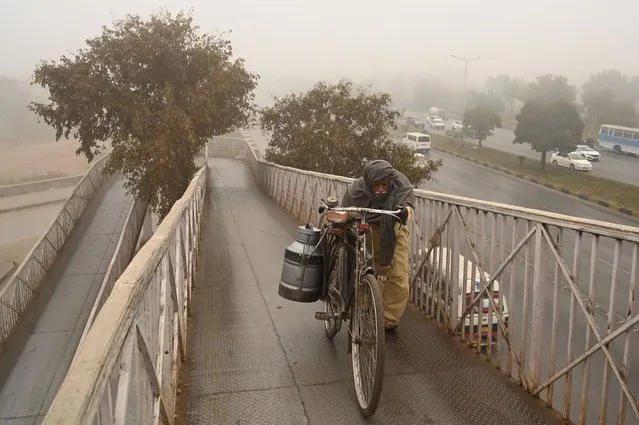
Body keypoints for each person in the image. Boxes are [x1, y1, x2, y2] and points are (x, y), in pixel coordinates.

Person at [341, 159, 415, 331]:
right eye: (376, 186)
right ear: (368, 184)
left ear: (390, 182)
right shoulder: (357, 188)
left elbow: (408, 206)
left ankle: (389, 317)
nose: (381, 189)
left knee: (399, 273)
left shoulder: (401, 183)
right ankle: (365, 305)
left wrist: (404, 212)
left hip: (394, 225)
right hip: (366, 227)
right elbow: (345, 210)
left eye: (385, 185)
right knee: (362, 269)